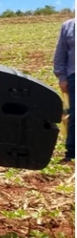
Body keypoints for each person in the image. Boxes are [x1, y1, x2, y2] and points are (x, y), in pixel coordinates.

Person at [53, 16, 75, 162]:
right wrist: (62, 77)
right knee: (75, 115)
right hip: (74, 76)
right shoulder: (68, 26)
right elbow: (60, 54)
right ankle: (71, 153)